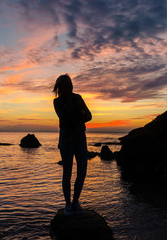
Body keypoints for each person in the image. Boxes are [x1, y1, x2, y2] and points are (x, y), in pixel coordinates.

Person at [53, 74, 92, 216]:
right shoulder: (57, 102)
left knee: (82, 172)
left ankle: (75, 201)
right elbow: (65, 120)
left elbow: (89, 116)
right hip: (66, 140)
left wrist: (75, 116)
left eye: (69, 85)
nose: (68, 88)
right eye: (64, 86)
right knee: (67, 172)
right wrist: (79, 114)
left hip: (80, 139)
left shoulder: (78, 97)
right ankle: (68, 204)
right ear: (59, 88)